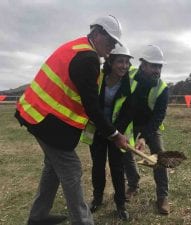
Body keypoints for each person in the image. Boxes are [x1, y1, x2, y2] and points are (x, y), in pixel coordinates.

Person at [15, 15, 128, 225]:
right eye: (110, 40)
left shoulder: (79, 47)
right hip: (44, 119)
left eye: (115, 42)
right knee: (72, 169)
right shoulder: (88, 58)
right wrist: (114, 135)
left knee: (52, 167)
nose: (112, 46)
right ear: (97, 33)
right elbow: (92, 106)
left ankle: (38, 217)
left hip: (36, 113)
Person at [83, 45, 136, 220]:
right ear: (110, 61)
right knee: (97, 167)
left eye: (127, 62)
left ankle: (120, 204)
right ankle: (97, 199)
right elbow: (90, 104)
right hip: (97, 130)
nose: (124, 66)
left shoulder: (129, 84)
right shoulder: (98, 77)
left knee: (117, 168)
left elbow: (128, 112)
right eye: (120, 61)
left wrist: (115, 133)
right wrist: (104, 129)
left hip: (117, 135)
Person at [123, 45, 170, 214]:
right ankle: (133, 185)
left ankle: (162, 197)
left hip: (150, 125)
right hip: (129, 123)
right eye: (154, 65)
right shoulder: (129, 75)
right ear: (143, 65)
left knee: (160, 155)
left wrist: (143, 137)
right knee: (125, 152)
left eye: (160, 66)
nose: (157, 70)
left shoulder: (163, 89)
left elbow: (158, 117)